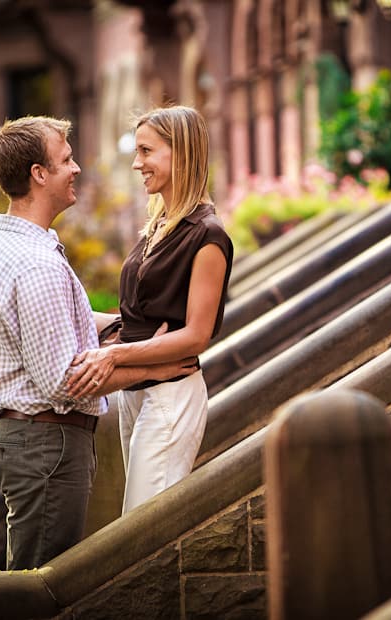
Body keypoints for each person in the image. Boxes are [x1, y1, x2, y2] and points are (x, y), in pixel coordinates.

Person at [0, 115, 197, 570]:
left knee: (33, 582)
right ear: (39, 174)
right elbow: (65, 382)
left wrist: (122, 328)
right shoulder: (35, 264)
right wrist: (156, 367)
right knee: (44, 593)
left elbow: (55, 321)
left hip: (32, 442)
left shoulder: (12, 245)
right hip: (46, 444)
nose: (76, 169)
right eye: (66, 159)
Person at [68, 105, 233, 514]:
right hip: (136, 393)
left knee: (140, 528)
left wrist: (116, 354)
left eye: (146, 151)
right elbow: (141, 318)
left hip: (172, 393)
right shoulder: (158, 227)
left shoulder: (208, 236)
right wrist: (72, 313)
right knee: (138, 524)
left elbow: (197, 334)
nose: (137, 162)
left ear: (181, 154)